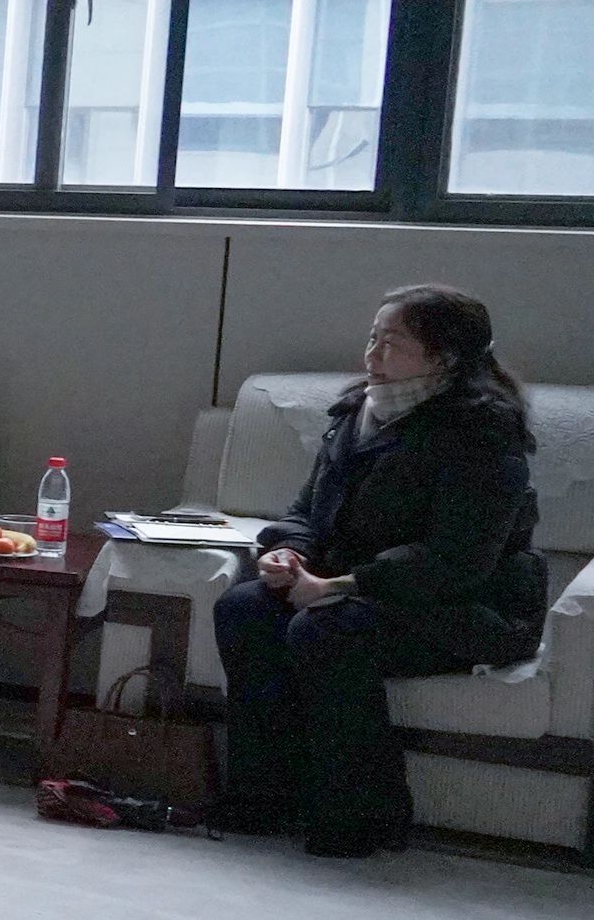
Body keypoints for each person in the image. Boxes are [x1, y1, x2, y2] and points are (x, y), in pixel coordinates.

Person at [213, 285, 545, 860]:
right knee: (244, 608)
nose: (371, 355)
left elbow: (457, 561)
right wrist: (289, 554)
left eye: (391, 343)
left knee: (327, 630)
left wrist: (340, 586)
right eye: (372, 337)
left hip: (462, 607)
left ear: (444, 358)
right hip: (359, 589)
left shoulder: (483, 432)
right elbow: (307, 510)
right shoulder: (357, 412)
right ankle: (264, 796)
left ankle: (363, 815)